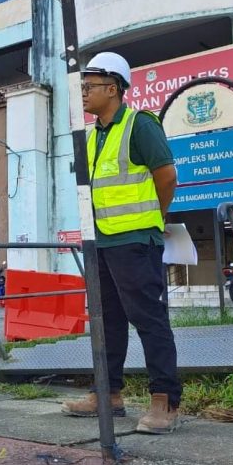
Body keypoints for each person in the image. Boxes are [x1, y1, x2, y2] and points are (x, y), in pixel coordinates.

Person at [61, 52, 182, 435]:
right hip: (101, 243)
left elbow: (167, 177)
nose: (83, 93)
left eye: (90, 86)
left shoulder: (139, 125)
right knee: (106, 321)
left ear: (112, 88)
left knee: (148, 319)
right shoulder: (95, 134)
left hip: (135, 242)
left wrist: (156, 219)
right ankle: (108, 394)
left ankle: (165, 401)